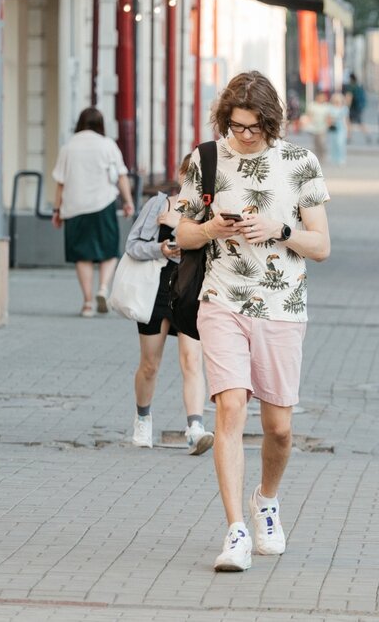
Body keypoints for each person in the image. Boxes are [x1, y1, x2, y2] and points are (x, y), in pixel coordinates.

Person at [176, 71, 332, 573]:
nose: (244, 135)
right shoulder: (205, 159)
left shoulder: (299, 162)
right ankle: (235, 531)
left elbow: (321, 246)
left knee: (279, 428)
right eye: (236, 126)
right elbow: (181, 233)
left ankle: (265, 500)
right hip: (221, 299)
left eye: (254, 127)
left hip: (283, 307)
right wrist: (210, 228)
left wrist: (279, 229)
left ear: (271, 121)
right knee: (230, 409)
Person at [125, 162, 214, 455]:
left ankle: (195, 428)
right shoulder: (159, 204)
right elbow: (132, 245)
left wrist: (181, 227)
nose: (193, 181)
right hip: (157, 291)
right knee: (150, 363)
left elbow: (216, 250)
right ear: (180, 175)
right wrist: (159, 248)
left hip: (191, 292)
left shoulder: (211, 212)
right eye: (189, 174)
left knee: (192, 360)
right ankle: (142, 418)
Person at [52, 107, 135, 317]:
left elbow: (60, 182)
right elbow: (121, 176)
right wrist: (128, 202)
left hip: (75, 207)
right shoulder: (108, 145)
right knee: (109, 250)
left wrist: (56, 210)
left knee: (82, 256)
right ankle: (103, 288)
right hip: (103, 204)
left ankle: (87, 303)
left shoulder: (68, 147)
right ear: (101, 125)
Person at [303, 91, 332, 161]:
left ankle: (323, 155)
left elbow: (329, 116)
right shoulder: (312, 105)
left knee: (322, 142)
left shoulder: (327, 106)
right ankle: (317, 156)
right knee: (316, 143)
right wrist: (306, 123)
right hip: (313, 127)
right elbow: (309, 115)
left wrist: (329, 123)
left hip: (323, 127)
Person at [346, 73, 370, 143]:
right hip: (359, 108)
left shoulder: (351, 87)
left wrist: (346, 106)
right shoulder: (358, 86)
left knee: (350, 123)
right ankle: (366, 135)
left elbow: (349, 97)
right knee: (357, 123)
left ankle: (349, 137)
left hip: (352, 108)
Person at [327, 91, 348, 166]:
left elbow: (346, 120)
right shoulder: (330, 108)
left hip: (341, 127)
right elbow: (328, 118)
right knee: (333, 143)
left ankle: (341, 158)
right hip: (333, 127)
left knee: (340, 143)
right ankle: (334, 158)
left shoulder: (344, 108)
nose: (337, 101)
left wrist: (347, 130)